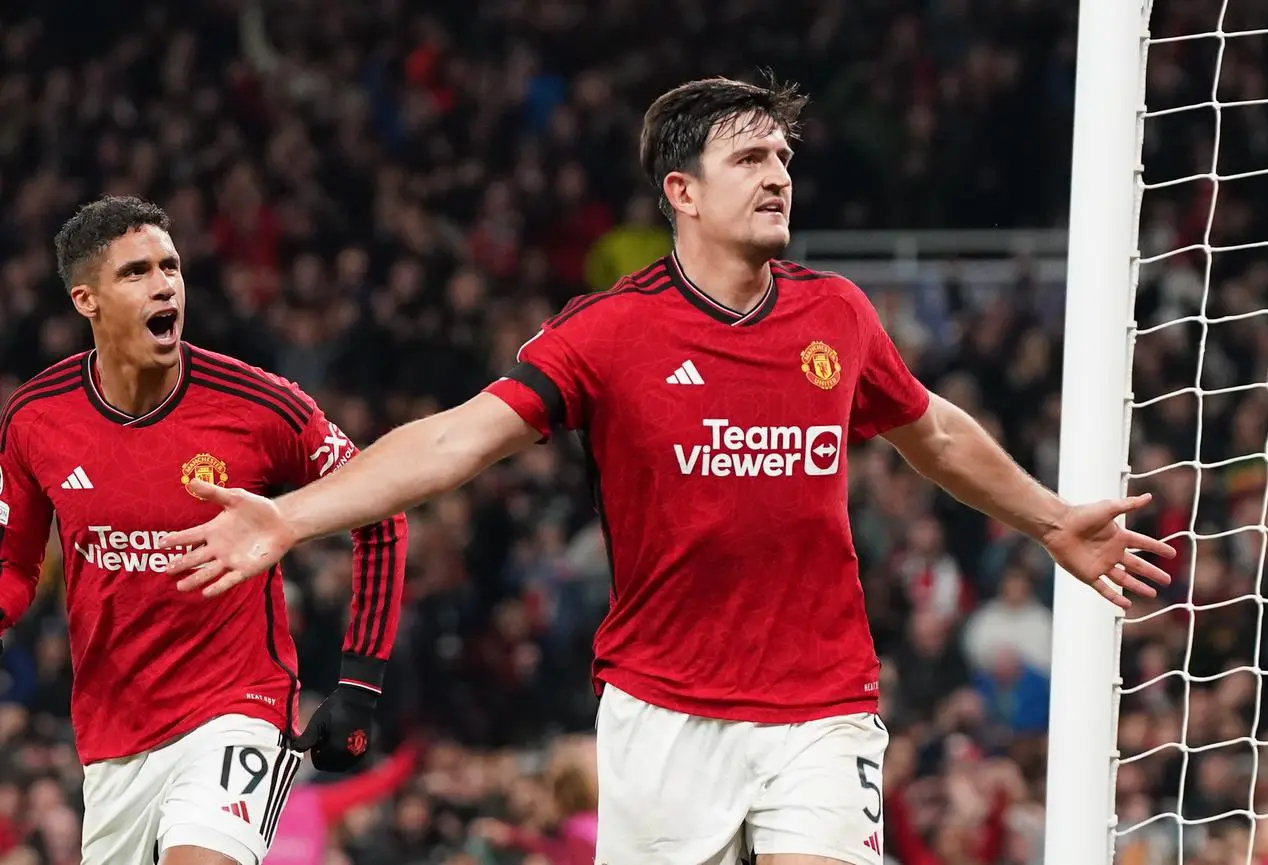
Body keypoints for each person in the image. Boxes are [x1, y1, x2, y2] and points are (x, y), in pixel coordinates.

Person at [163, 78, 1175, 865]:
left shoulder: (837, 316)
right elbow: (457, 440)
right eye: (749, 156)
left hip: (820, 701)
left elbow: (933, 432)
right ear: (680, 192)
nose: (777, 173)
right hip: (662, 707)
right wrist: (294, 517)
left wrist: (1046, 519)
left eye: (781, 154)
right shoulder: (609, 330)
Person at [0, 195, 408, 865]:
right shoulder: (35, 418)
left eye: (171, 265)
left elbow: (381, 509)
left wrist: (359, 686)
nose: (164, 283)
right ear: (86, 300)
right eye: (136, 271)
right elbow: (15, 570)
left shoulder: (258, 404)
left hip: (236, 708)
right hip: (113, 736)